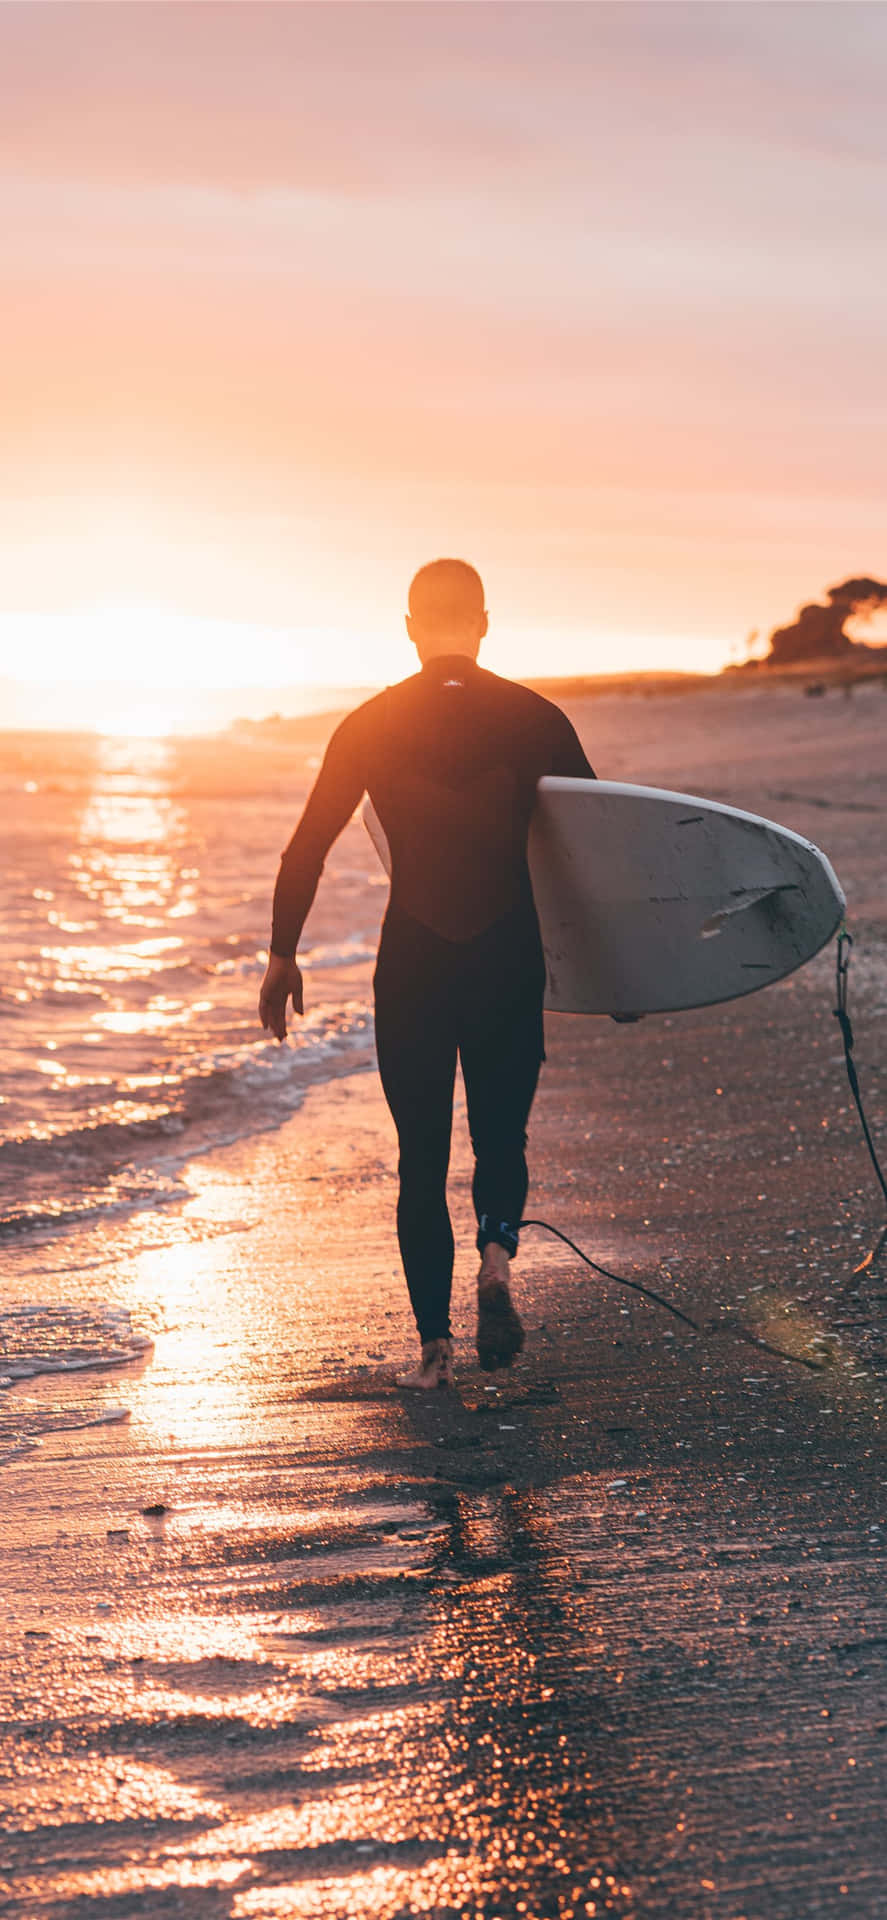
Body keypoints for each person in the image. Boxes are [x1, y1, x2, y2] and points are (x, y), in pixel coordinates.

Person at [258, 559, 595, 1389]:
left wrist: (282, 955)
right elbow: (595, 848)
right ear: (482, 622)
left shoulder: (368, 724)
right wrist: (613, 969)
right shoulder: (533, 717)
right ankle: (495, 1264)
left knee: (420, 1156)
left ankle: (436, 1355)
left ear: (409, 627)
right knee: (500, 1137)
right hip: (506, 954)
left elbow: (307, 845)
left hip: (412, 959)